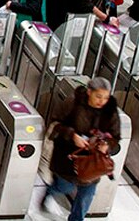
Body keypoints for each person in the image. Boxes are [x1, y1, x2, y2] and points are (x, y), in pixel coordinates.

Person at [39, 77, 122, 221]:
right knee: (65, 187)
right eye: (98, 96)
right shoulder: (72, 103)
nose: (102, 101)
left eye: (106, 98)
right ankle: (50, 191)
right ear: (89, 92)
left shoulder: (110, 111)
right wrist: (72, 135)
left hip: (92, 161)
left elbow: (115, 136)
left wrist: (107, 145)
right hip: (67, 157)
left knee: (87, 195)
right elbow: (56, 123)